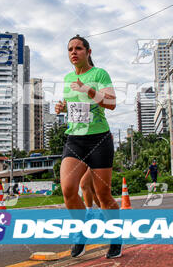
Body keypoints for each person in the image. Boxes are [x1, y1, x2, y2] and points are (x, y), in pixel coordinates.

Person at [56, 35, 121, 259]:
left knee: (103, 195)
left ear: (88, 51)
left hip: (99, 139)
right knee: (68, 189)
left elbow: (111, 103)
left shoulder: (99, 74)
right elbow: (76, 108)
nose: (74, 52)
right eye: (70, 49)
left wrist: (88, 90)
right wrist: (62, 108)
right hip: (75, 139)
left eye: (79, 48)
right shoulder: (67, 78)